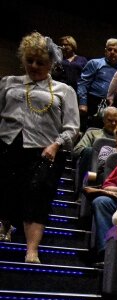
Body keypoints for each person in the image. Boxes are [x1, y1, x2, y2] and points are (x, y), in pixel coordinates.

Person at [0, 32, 79, 261]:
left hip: (45, 151)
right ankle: (5, 228)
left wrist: (56, 144)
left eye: (40, 62)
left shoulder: (64, 91)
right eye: (30, 60)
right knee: (6, 190)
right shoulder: (8, 83)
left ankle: (31, 249)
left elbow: (72, 128)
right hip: (8, 145)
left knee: (37, 197)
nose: (34, 66)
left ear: (51, 64)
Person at [77, 38, 117, 129]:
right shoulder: (94, 63)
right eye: (109, 49)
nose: (112, 52)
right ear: (105, 51)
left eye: (116, 50)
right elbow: (83, 83)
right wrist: (83, 103)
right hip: (93, 102)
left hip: (112, 105)